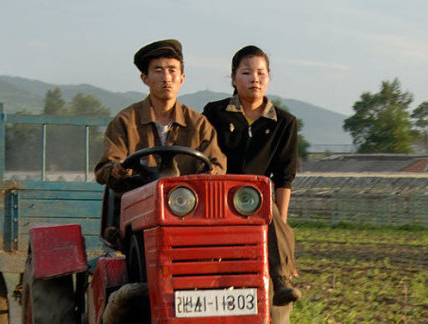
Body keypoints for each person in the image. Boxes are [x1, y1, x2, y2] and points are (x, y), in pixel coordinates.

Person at [203, 45, 301, 305]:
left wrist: (282, 224)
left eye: (261, 73)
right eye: (246, 73)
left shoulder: (284, 122)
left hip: (258, 201)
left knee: (272, 213)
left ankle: (280, 278)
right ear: (233, 78)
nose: (254, 79)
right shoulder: (215, 113)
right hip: (219, 195)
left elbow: (284, 177)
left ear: (268, 77)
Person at [95, 39, 226, 192]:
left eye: (172, 70)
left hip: (186, 204)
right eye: (158, 71)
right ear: (145, 78)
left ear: (182, 78)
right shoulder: (125, 121)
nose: (166, 78)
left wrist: (210, 173)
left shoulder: (198, 124)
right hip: (137, 203)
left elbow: (217, 165)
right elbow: (105, 169)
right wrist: (117, 169)